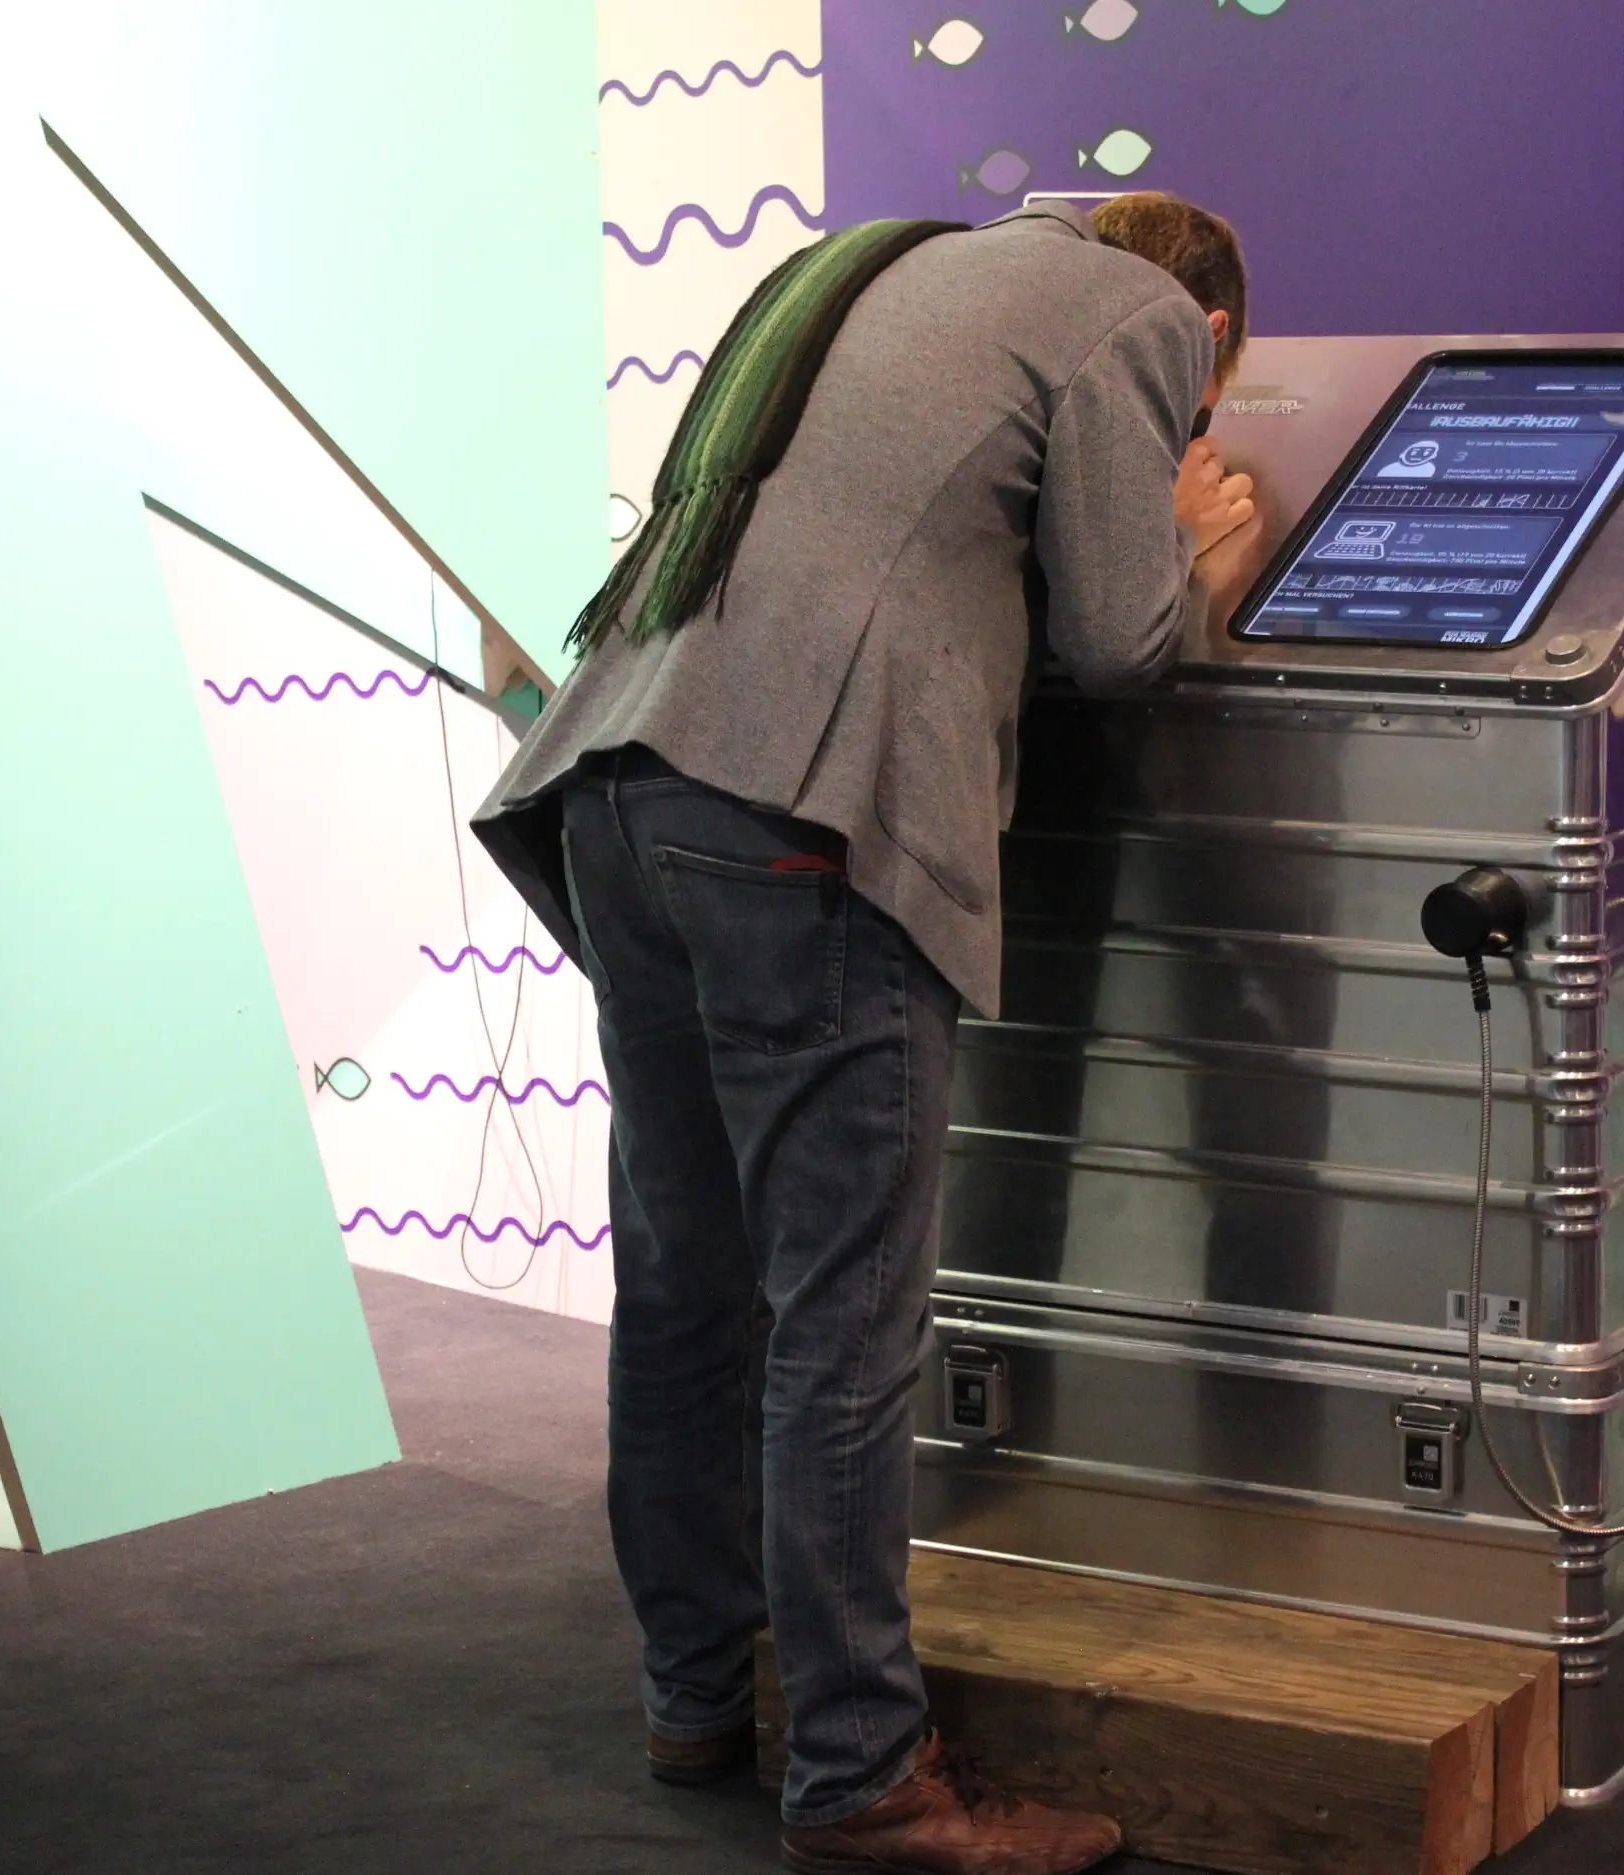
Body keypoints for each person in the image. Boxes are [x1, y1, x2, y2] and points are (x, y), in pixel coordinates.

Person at [472, 191, 1260, 1875]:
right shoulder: (1136, 319)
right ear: (1204, 336)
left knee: (688, 1288)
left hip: (619, 782)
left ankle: (698, 1692)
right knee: (843, 1318)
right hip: (801, 819)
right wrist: (1200, 543)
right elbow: (1120, 641)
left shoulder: (877, 264)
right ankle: (860, 1778)